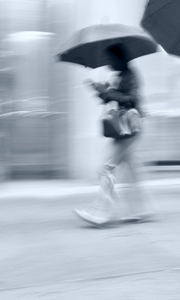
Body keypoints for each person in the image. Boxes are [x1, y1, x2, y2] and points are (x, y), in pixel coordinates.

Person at [73, 43, 156, 228]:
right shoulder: (119, 76)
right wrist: (98, 91)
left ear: (120, 58)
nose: (108, 63)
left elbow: (131, 99)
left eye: (110, 59)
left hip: (129, 128)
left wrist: (109, 92)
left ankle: (103, 212)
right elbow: (113, 99)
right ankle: (140, 210)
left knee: (104, 168)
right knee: (132, 170)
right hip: (125, 128)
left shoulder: (130, 75)